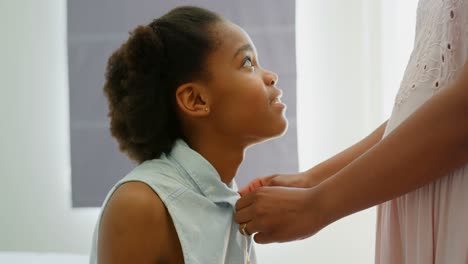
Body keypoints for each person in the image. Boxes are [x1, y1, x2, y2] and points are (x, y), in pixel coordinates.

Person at [235, 0, 468, 263]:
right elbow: (418, 105)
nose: (273, 76)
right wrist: (311, 180)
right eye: (245, 63)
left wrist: (315, 204)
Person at [89, 6, 287, 264]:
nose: (271, 76)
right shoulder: (139, 205)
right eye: (247, 62)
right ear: (196, 99)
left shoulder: (226, 198)